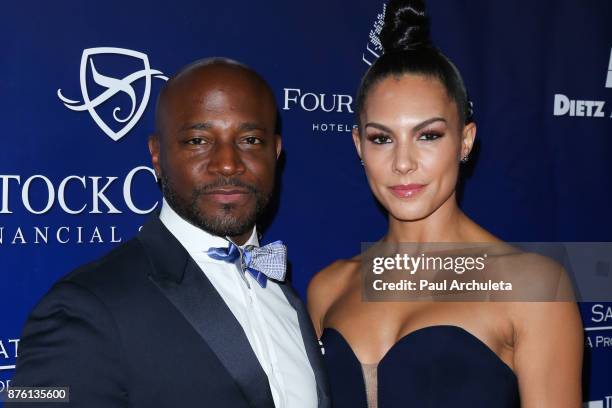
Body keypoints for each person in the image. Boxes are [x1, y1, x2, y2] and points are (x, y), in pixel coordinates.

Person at [307, 1, 583, 407]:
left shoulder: (533, 289)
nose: (403, 163)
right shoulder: (328, 289)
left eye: (428, 135)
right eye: (382, 138)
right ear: (358, 145)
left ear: (465, 140)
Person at [9, 58, 330, 408]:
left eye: (250, 139)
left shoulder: (288, 297)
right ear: (157, 156)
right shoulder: (83, 309)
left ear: (276, 151)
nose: (227, 162)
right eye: (198, 140)